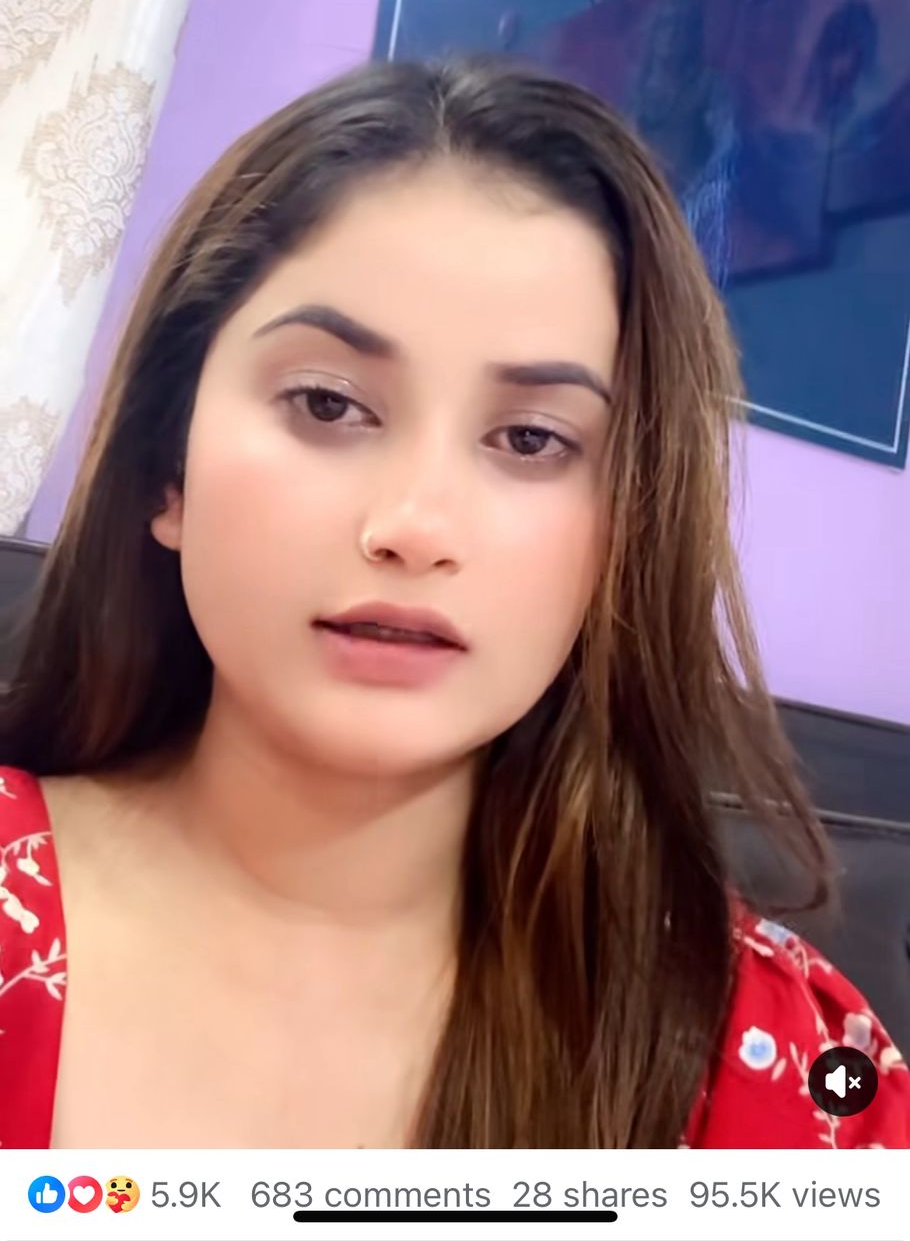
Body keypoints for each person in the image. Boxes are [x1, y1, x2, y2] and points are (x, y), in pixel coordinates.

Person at [0, 59, 907, 1151]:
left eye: (531, 438)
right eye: (327, 403)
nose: (415, 526)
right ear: (167, 471)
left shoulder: (786, 1069)